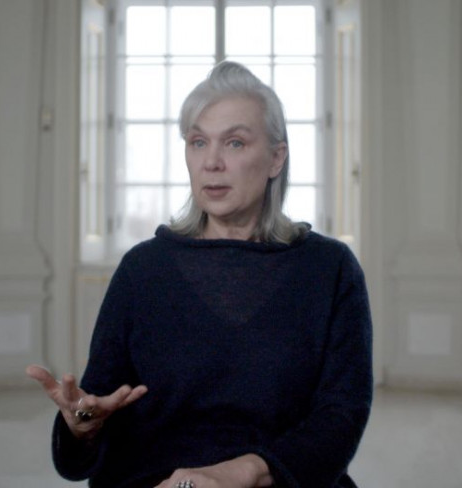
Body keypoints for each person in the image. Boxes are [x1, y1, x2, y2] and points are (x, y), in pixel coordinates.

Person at [27, 61, 373, 488]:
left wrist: (243, 472)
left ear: (276, 158)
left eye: (234, 142)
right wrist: (82, 423)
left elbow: (341, 418)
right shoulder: (143, 270)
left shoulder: (330, 270)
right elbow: (94, 409)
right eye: (198, 142)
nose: (211, 162)